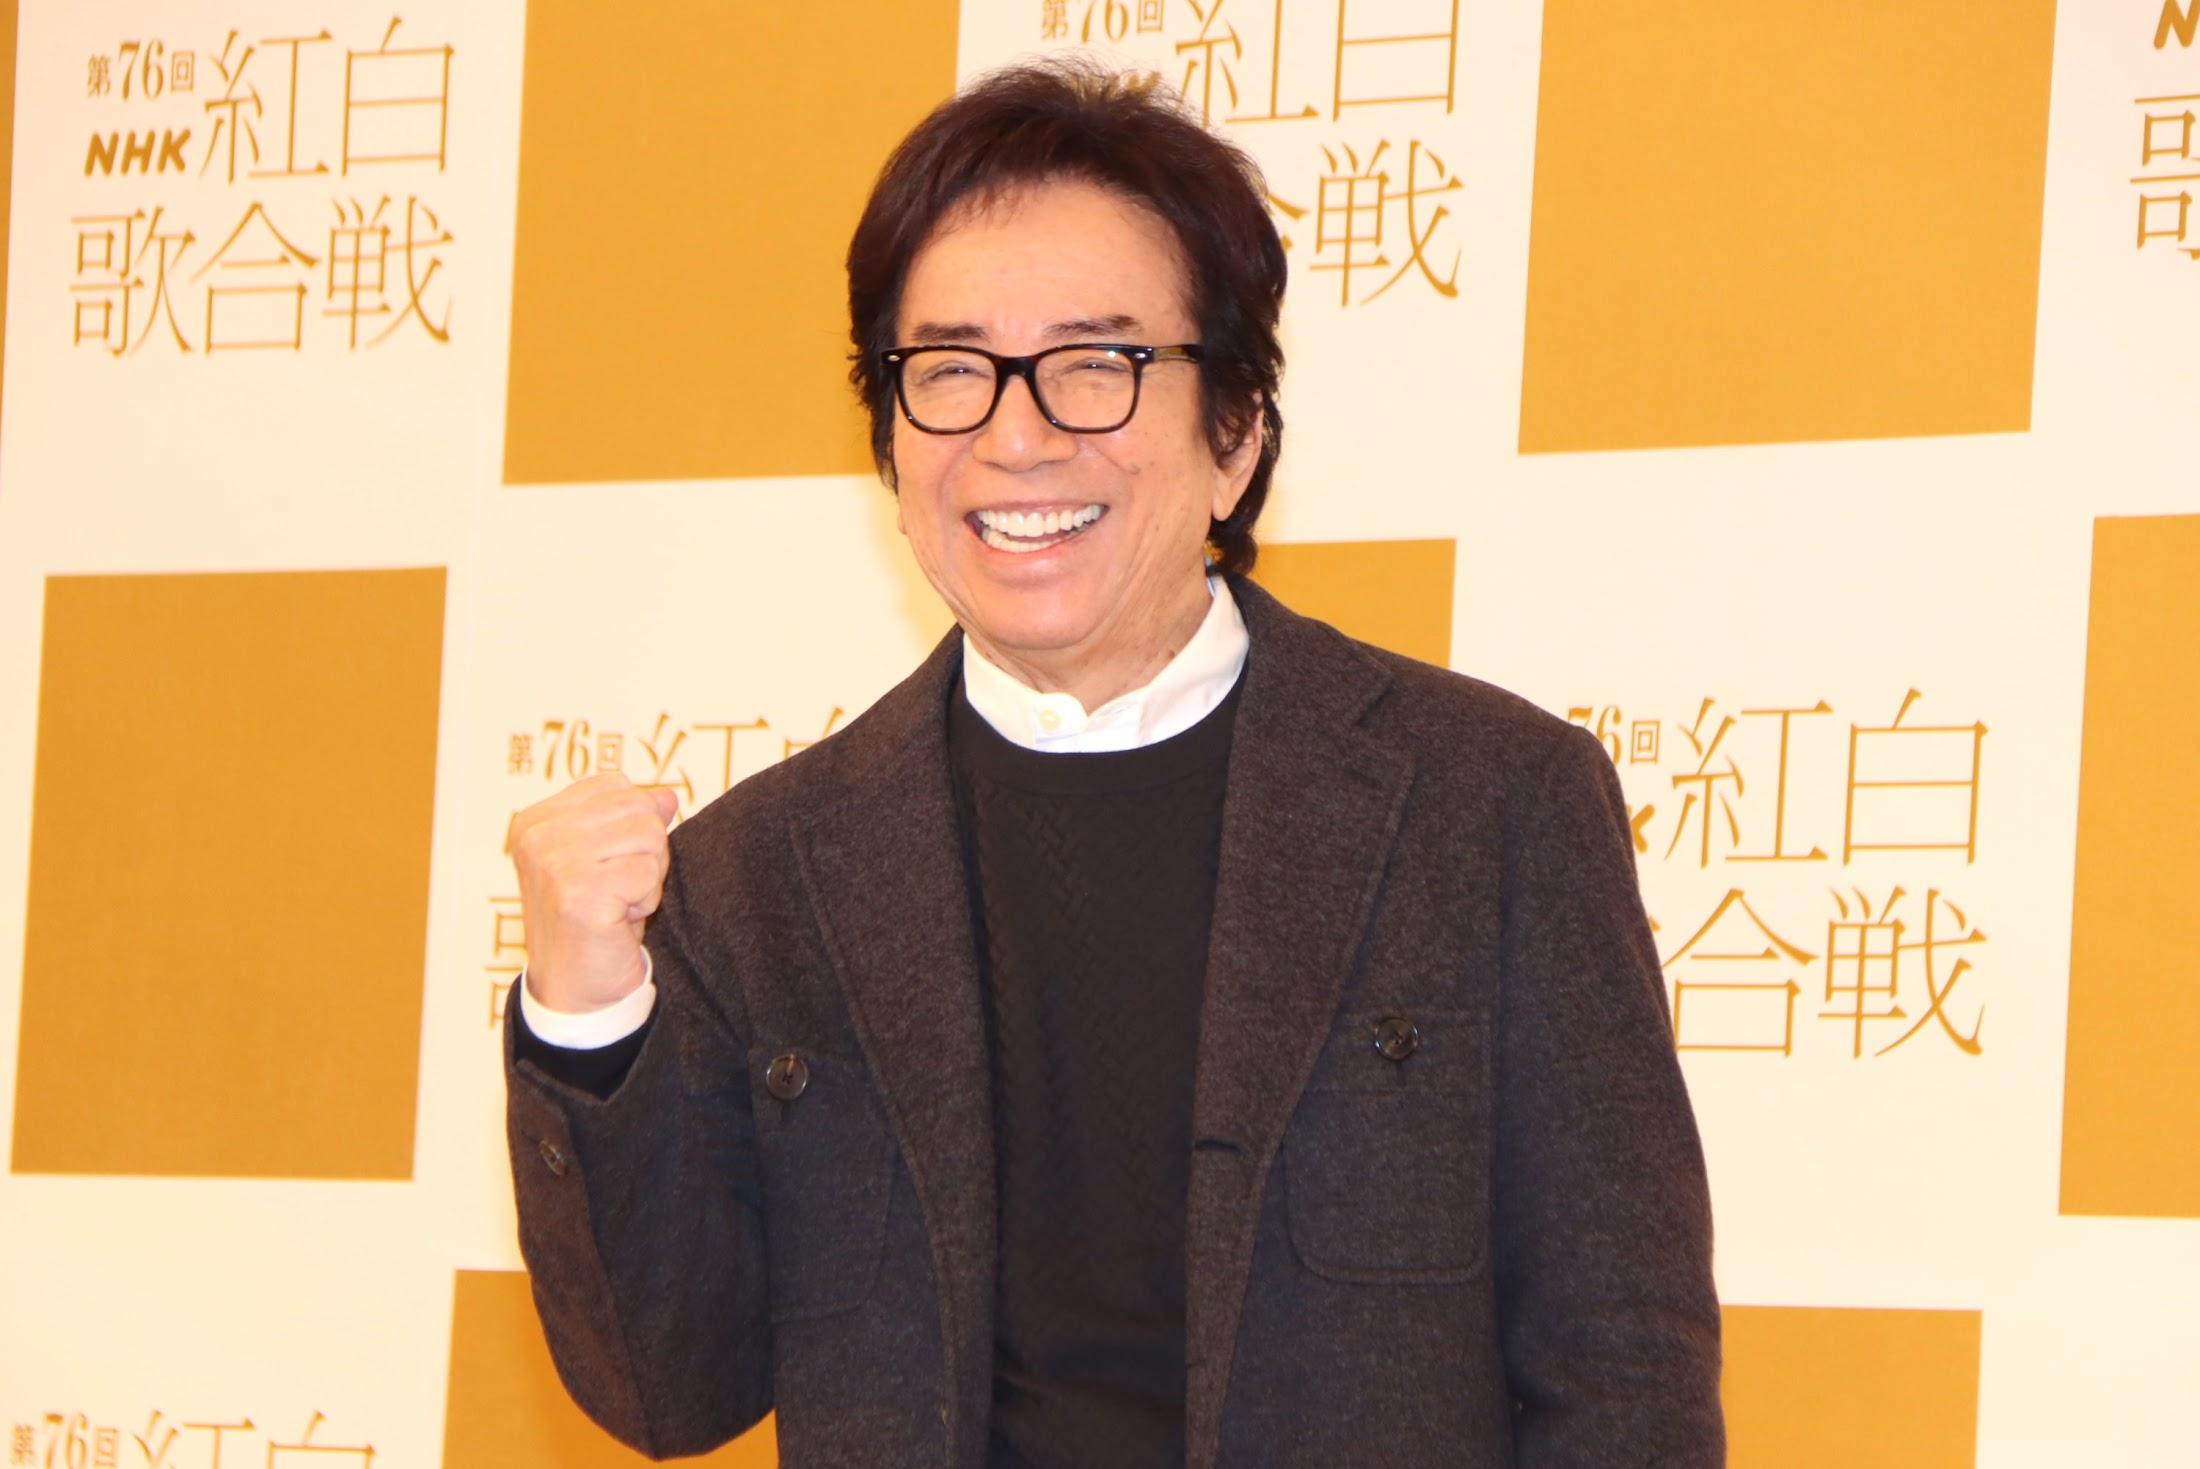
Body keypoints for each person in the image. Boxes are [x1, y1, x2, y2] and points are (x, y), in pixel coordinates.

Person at [503, 59, 1723, 1469]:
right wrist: (586, 1016)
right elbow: (669, 1387)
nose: (1015, 436)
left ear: (1236, 435)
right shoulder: (761, 875)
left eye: (1098, 365)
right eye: (950, 372)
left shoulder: (1489, 805)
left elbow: (1624, 1373)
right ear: (890, 442)